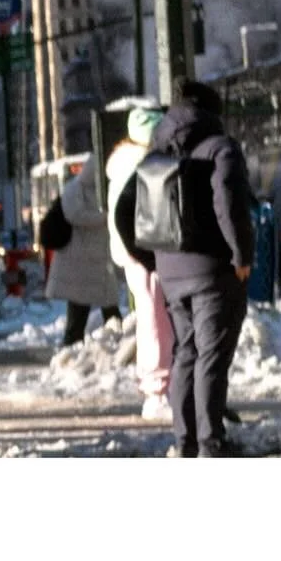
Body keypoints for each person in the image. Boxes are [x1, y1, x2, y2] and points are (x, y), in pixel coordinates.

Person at [142, 78, 255, 458]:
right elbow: (230, 205)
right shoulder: (221, 149)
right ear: (212, 112)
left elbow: (129, 213)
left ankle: (185, 441)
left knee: (185, 354)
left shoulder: (154, 154)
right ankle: (211, 443)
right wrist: (242, 256)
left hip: (171, 273)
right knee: (212, 356)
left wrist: (152, 260)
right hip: (213, 272)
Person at [104, 104, 173, 421]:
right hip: (147, 251)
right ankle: (158, 388)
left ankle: (156, 385)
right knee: (156, 320)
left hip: (134, 252)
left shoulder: (122, 163)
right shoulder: (141, 164)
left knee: (151, 317)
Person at [46, 152, 122, 346]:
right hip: (80, 264)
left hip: (98, 262)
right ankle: (72, 347)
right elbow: (75, 215)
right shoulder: (76, 189)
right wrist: (105, 218)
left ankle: (116, 343)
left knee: (108, 308)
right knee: (79, 312)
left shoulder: (103, 190)